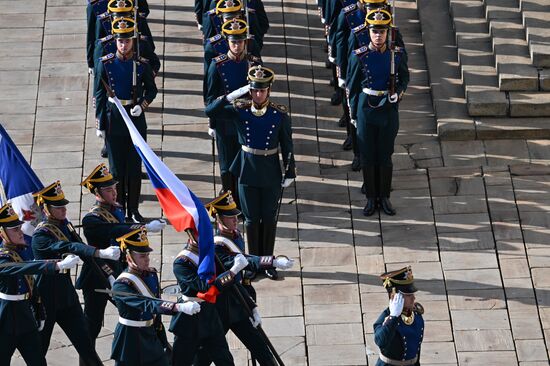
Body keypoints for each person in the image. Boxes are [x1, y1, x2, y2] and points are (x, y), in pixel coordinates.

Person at [205, 65, 296, 280]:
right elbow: (210, 111)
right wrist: (229, 96)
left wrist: (290, 171)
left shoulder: (279, 114)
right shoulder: (240, 109)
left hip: (270, 170)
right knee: (251, 219)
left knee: (269, 218)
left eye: (262, 90)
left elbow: (287, 145)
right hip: (247, 169)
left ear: (269, 90)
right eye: (254, 90)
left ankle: (268, 261)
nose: (258, 94)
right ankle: (255, 262)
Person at [197, 191, 295, 365]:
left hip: (237, 303)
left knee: (263, 352)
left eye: (235, 216)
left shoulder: (234, 236)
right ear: (219, 220)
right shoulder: (217, 245)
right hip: (218, 309)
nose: (235, 220)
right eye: (230, 217)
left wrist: (251, 305)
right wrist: (272, 262)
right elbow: (245, 261)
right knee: (204, 357)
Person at [78, 163, 167, 350]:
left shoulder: (116, 209)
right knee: (92, 325)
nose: (114, 193)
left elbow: (121, 226)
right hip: (97, 274)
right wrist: (143, 227)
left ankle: (161, 348)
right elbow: (114, 229)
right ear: (97, 193)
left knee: (143, 309)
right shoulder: (91, 219)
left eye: (114, 188)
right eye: (109, 190)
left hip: (118, 270)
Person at [31, 181, 121, 364]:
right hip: (46, 299)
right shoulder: (40, 236)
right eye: (58, 206)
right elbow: (67, 246)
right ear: (46, 209)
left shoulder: (66, 226)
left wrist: (109, 276)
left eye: (64, 205)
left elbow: (83, 251)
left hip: (67, 297)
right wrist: (99, 251)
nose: (63, 209)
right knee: (39, 350)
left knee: (86, 345)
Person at [95, 15, 158, 223]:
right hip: (115, 118)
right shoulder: (105, 64)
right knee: (116, 169)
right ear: (115, 41)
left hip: (134, 117)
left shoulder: (141, 65)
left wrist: (142, 105)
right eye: (120, 41)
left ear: (133, 41)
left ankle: (134, 209)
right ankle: (119, 208)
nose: (123, 45)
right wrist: (101, 124)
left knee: (133, 167)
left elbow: (151, 90)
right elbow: (99, 95)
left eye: (127, 41)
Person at [0, 203, 80, 366]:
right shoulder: (2, 258)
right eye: (15, 230)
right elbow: (24, 268)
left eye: (19, 228)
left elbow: (31, 284)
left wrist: (38, 311)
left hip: (26, 318)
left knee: (38, 361)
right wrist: (56, 266)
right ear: (2, 235)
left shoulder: (20, 251)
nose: (20, 232)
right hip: (5, 320)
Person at [346, 8, 409, 216]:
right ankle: (371, 198)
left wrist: (398, 93)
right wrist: (354, 115)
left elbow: (405, 78)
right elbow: (352, 88)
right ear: (369, 32)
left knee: (385, 154)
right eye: (375, 31)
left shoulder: (396, 55)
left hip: (388, 109)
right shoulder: (359, 56)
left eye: (382, 32)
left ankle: (385, 197)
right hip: (366, 108)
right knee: (368, 155)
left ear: (387, 32)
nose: (378, 35)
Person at [111, 227, 201, 366]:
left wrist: (162, 339)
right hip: (130, 341)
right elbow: (148, 304)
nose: (147, 259)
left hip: (150, 336)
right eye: (142, 256)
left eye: (147, 255)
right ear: (129, 257)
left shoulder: (151, 274)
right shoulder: (122, 285)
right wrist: (177, 307)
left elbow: (155, 313)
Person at [169, 235, 252, 365]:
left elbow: (237, 260)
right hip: (189, 318)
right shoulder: (182, 263)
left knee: (225, 360)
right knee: (181, 361)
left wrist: (270, 261)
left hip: (209, 315)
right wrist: (233, 271)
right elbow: (205, 287)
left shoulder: (210, 252)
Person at [205, 18, 262, 202]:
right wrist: (213, 122)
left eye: (240, 42)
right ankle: (229, 200)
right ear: (228, 42)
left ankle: (243, 200)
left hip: (247, 121)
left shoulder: (253, 63)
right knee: (227, 165)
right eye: (233, 42)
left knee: (245, 164)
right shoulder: (218, 65)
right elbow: (211, 99)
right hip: (226, 121)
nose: (237, 46)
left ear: (245, 42)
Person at [374, 266, 424, 366]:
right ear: (395, 296)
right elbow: (380, 341)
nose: (413, 298)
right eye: (408, 295)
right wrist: (393, 317)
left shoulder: (416, 315)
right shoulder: (386, 318)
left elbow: (416, 350)